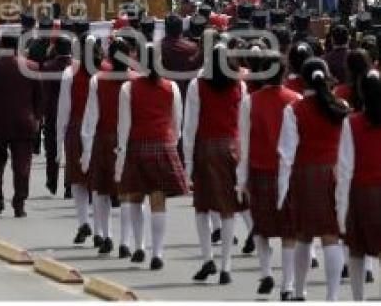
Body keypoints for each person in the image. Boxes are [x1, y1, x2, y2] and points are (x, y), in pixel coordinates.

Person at [278, 57, 349, 301]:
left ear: (303, 79)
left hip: (305, 174)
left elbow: (287, 152)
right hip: (334, 172)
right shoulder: (341, 105)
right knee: (331, 236)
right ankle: (332, 296)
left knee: (304, 235)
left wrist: (282, 187)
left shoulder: (294, 109)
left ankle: (300, 291)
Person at [115, 44, 187, 270]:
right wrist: (170, 145)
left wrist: (121, 155)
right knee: (158, 202)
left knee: (135, 199)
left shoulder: (128, 88)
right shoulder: (171, 87)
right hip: (162, 145)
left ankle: (139, 246)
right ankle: (158, 252)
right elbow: (177, 123)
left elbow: (123, 127)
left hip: (137, 145)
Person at [237, 48, 301, 300]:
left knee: (262, 229)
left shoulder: (249, 102)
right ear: (284, 72)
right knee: (289, 232)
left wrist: (241, 179)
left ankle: (265, 274)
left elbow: (243, 141)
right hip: (288, 171)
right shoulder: (296, 98)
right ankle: (288, 284)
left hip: (259, 169)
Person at [184, 41, 247, 285]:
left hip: (206, 147)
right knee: (228, 208)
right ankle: (226, 266)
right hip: (232, 146)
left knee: (202, 206)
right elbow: (244, 123)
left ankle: (207, 257)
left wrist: (188, 160)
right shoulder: (239, 85)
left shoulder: (197, 85)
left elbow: (190, 126)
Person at [81, 36, 133, 256]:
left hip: (104, 138)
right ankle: (125, 242)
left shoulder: (98, 79)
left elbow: (91, 116)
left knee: (100, 191)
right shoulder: (136, 80)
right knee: (127, 194)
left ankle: (105, 234)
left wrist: (86, 148)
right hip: (129, 139)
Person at [0, 32, 43, 217]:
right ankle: (19, 203)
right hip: (24, 123)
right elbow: (39, 98)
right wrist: (37, 118)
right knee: (22, 166)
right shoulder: (31, 66)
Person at [336, 71, 381, 301]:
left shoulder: (351, 123)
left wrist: (340, 207)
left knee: (356, 250)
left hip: (361, 192)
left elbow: (344, 168)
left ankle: (358, 299)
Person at [56, 27, 96, 244]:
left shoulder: (69, 72)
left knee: (78, 181)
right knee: (99, 183)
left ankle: (83, 222)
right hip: (100, 128)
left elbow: (64, 108)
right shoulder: (107, 70)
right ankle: (101, 228)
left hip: (77, 126)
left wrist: (59, 136)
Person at [41, 29, 74, 195]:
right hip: (73, 113)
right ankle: (69, 185)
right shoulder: (75, 67)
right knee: (71, 150)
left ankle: (52, 181)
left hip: (52, 112)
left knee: (52, 148)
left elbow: (44, 92)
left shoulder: (47, 67)